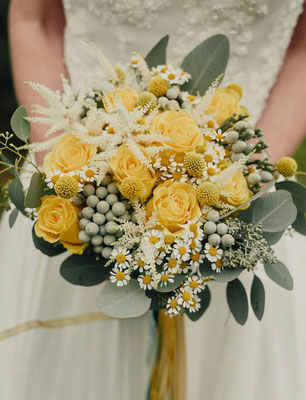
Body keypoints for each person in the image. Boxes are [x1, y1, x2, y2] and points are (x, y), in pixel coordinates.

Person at [0, 0, 305, 399]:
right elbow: (34, 18)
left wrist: (241, 178)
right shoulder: (75, 185)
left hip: (241, 201)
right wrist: (71, 175)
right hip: (80, 188)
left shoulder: (241, 187)